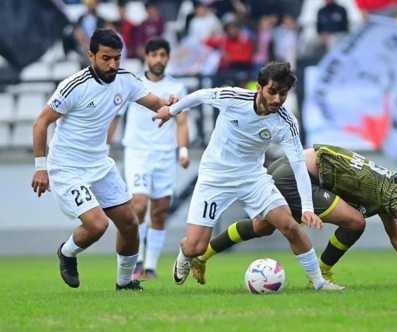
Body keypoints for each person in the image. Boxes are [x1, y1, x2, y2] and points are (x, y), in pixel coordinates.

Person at [153, 62, 344, 291]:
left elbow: (298, 165)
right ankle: (186, 253)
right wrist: (171, 111)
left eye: (282, 94)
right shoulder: (233, 97)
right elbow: (202, 95)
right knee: (196, 246)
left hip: (252, 177)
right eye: (272, 92)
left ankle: (318, 283)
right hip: (215, 176)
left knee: (290, 226)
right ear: (260, 88)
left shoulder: (286, 122)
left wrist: (307, 208)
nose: (276, 99)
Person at [191, 144, 397, 288]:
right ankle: (321, 275)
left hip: (289, 168)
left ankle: (202, 256)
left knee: (261, 226)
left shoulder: (383, 192)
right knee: (355, 221)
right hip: (299, 174)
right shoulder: (391, 190)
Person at [30, 29, 178, 291]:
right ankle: (67, 252)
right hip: (67, 167)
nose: (112, 65)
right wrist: (41, 169)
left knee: (130, 223)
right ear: (91, 56)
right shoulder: (74, 85)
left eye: (117, 58)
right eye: (106, 58)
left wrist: (170, 105)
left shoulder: (125, 80)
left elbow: (155, 102)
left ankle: (124, 283)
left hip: (99, 165)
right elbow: (41, 123)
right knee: (97, 225)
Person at [108, 37, 190, 280]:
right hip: (138, 153)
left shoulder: (177, 88)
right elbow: (115, 117)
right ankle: (137, 261)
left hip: (164, 155)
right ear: (146, 57)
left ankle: (150, 266)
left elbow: (182, 121)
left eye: (163, 55)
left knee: (160, 212)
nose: (158, 60)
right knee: (139, 205)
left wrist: (182, 150)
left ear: (167, 58)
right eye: (154, 55)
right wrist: (104, 148)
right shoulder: (133, 84)